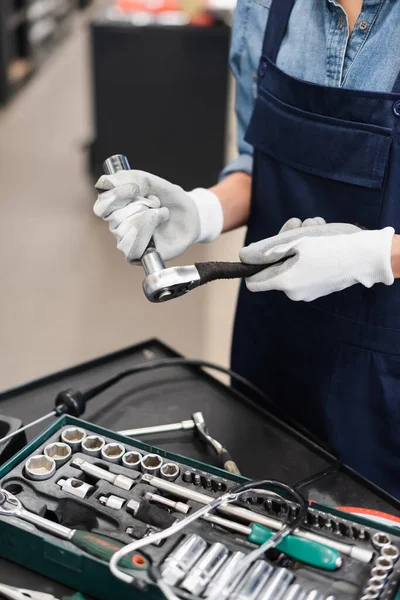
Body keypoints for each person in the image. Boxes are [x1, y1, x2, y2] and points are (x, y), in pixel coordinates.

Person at [94, 0, 400, 499]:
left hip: (386, 376)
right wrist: (200, 212)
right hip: (275, 344)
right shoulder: (265, 8)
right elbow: (261, 157)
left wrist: (367, 256)